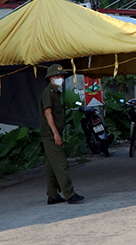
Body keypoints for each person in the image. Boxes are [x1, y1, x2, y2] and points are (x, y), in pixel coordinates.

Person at [40, 64, 84, 205]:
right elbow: (48, 113)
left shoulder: (55, 92)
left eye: (62, 76)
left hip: (52, 133)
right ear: (51, 78)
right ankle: (69, 194)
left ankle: (53, 195)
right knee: (61, 163)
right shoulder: (48, 92)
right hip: (50, 133)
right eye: (58, 76)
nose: (61, 78)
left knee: (51, 165)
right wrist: (55, 134)